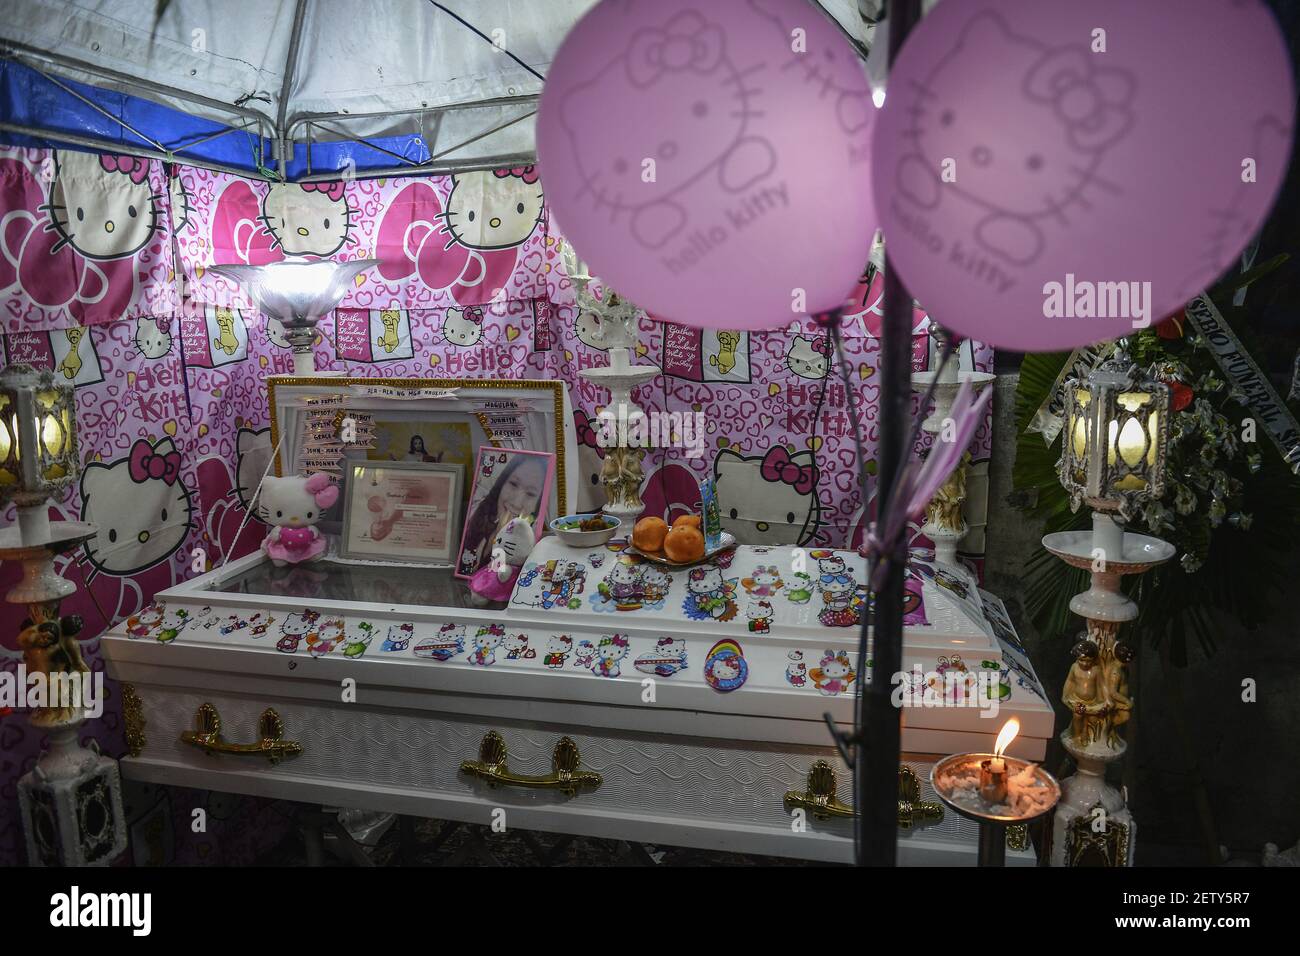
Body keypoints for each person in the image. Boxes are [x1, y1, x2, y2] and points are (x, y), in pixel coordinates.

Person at [459, 453, 549, 575]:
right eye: (513, 484)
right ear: (502, 482)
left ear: (538, 504)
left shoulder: (528, 549)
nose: (516, 502)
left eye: (530, 494)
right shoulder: (477, 513)